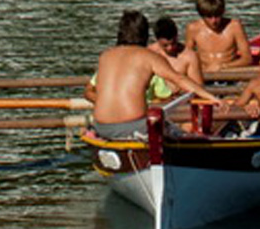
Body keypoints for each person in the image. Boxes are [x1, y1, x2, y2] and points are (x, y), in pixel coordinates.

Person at [85, 11, 220, 140]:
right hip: (134, 127)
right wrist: (211, 97)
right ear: (145, 35)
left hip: (101, 126)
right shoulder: (149, 56)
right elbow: (179, 79)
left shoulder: (105, 56)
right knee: (176, 132)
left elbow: (89, 92)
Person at [186, 0, 253, 72]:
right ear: (202, 15)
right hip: (204, 75)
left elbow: (247, 59)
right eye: (209, 17)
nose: (214, 21)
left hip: (229, 74)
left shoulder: (235, 26)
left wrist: (223, 66)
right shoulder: (193, 28)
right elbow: (186, 57)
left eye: (217, 15)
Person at [149, 17, 209, 97]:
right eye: (165, 45)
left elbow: (198, 87)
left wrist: (180, 89)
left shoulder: (190, 56)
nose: (170, 48)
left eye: (173, 43)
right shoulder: (150, 53)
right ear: (157, 40)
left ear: (177, 36)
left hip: (180, 103)